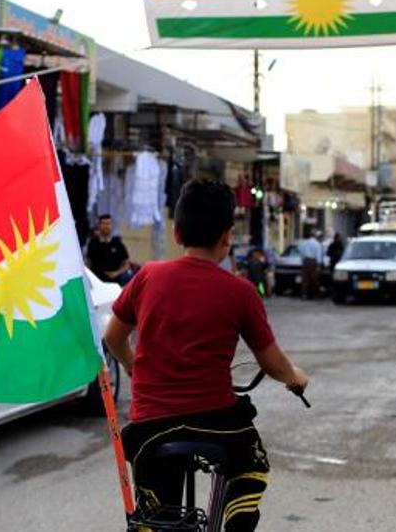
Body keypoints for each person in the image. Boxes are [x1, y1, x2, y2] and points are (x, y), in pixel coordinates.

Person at [103, 179, 309, 532]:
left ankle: (157, 519)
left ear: (177, 232)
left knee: (157, 511)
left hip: (151, 425)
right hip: (217, 422)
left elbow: (113, 337)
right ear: (227, 238)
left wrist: (134, 368)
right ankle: (235, 522)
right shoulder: (241, 291)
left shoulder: (147, 277)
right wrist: (294, 377)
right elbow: (271, 362)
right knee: (250, 465)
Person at [86, 214, 134, 286]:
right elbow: (89, 263)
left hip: (114, 282)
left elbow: (127, 264)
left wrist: (116, 273)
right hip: (97, 282)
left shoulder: (118, 244)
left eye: (108, 223)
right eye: (104, 223)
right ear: (99, 225)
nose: (106, 226)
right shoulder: (93, 243)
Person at [298, 230, 324, 299]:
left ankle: (304, 294)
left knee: (305, 279)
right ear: (314, 236)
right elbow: (318, 255)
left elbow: (301, 252)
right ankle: (314, 294)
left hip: (305, 261)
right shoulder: (317, 244)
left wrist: (303, 260)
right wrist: (319, 265)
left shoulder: (304, 243)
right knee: (314, 279)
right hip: (313, 262)